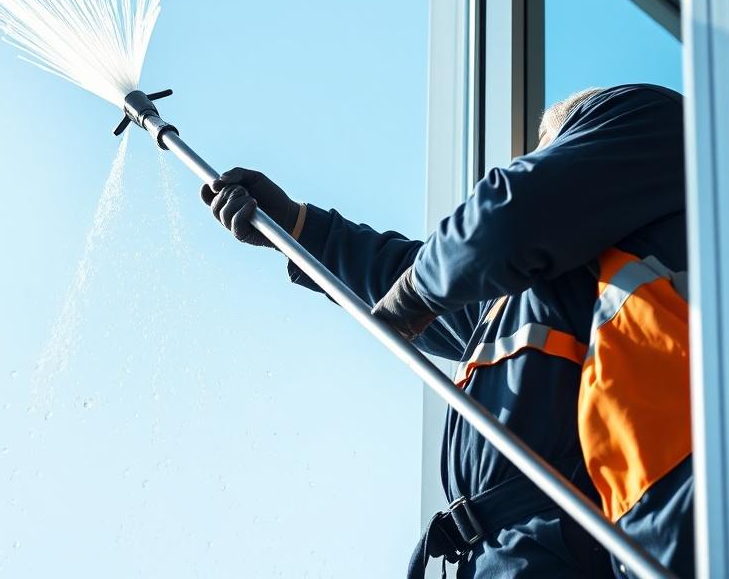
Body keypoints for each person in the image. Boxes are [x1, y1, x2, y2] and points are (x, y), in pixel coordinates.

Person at [201, 84, 694, 578]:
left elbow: (507, 217)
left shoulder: (646, 117)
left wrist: (410, 299)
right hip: (523, 552)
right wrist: (296, 228)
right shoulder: (560, 290)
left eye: (546, 156)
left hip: (573, 541)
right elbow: (408, 273)